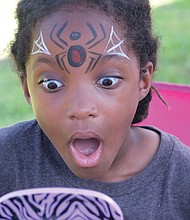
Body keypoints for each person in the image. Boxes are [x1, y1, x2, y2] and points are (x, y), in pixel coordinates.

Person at [0, 0, 190, 219]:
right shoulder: (7, 162)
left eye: (108, 81)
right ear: (27, 89)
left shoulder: (182, 182)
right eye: (52, 84)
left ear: (143, 81)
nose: (81, 109)